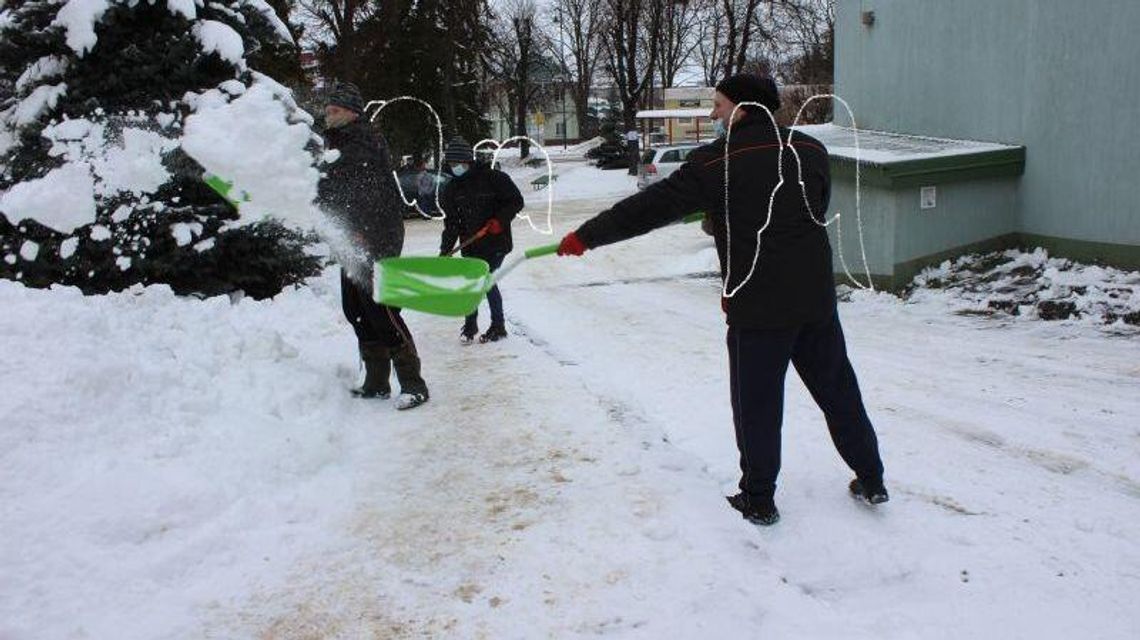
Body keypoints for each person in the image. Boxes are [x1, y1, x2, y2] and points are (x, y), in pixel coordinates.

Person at [555, 74, 887, 525]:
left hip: (757, 307)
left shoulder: (717, 162)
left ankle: (759, 499)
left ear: (743, 109)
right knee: (839, 392)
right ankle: (871, 477)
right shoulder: (811, 151)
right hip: (815, 302)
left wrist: (585, 237)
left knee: (757, 405)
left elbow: (647, 210)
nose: (714, 114)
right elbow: (809, 209)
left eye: (719, 104)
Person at [318, 82, 429, 410]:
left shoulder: (363, 142)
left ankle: (414, 383)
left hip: (374, 235)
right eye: (327, 110)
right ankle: (377, 381)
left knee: (380, 309)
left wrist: (361, 231)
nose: (328, 115)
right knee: (355, 309)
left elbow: (366, 193)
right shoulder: (336, 142)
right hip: (351, 236)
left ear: (351, 112)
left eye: (334, 110)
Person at [438, 136, 524, 344]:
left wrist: (500, 220)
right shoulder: (452, 189)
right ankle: (471, 324)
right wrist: (445, 251)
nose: (455, 167)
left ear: (469, 161)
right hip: (471, 244)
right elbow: (451, 224)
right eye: (452, 164)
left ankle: (498, 325)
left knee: (485, 280)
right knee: (473, 282)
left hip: (496, 241)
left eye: (459, 163)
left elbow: (516, 201)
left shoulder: (494, 179)